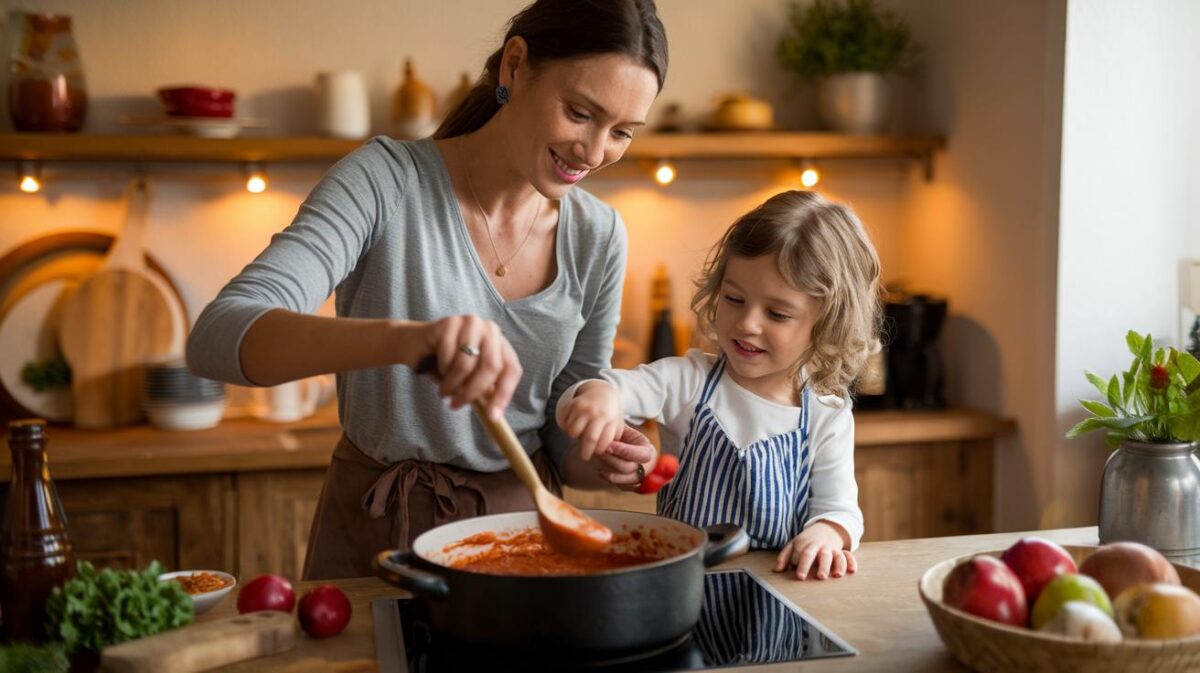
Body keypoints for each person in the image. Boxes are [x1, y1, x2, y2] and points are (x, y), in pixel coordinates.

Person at [186, 0, 668, 580]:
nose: (594, 153)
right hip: (373, 534)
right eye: (579, 112)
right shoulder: (385, 181)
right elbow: (217, 337)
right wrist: (407, 341)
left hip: (521, 542)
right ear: (514, 67)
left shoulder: (598, 234)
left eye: (621, 132)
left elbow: (565, 431)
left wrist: (607, 453)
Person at [556, 190, 881, 581]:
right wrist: (597, 401)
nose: (747, 323)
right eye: (734, 299)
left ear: (827, 323)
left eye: (777, 313)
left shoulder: (827, 414)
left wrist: (826, 535)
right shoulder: (688, 380)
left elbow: (840, 509)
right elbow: (602, 390)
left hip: (775, 602)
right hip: (682, 593)